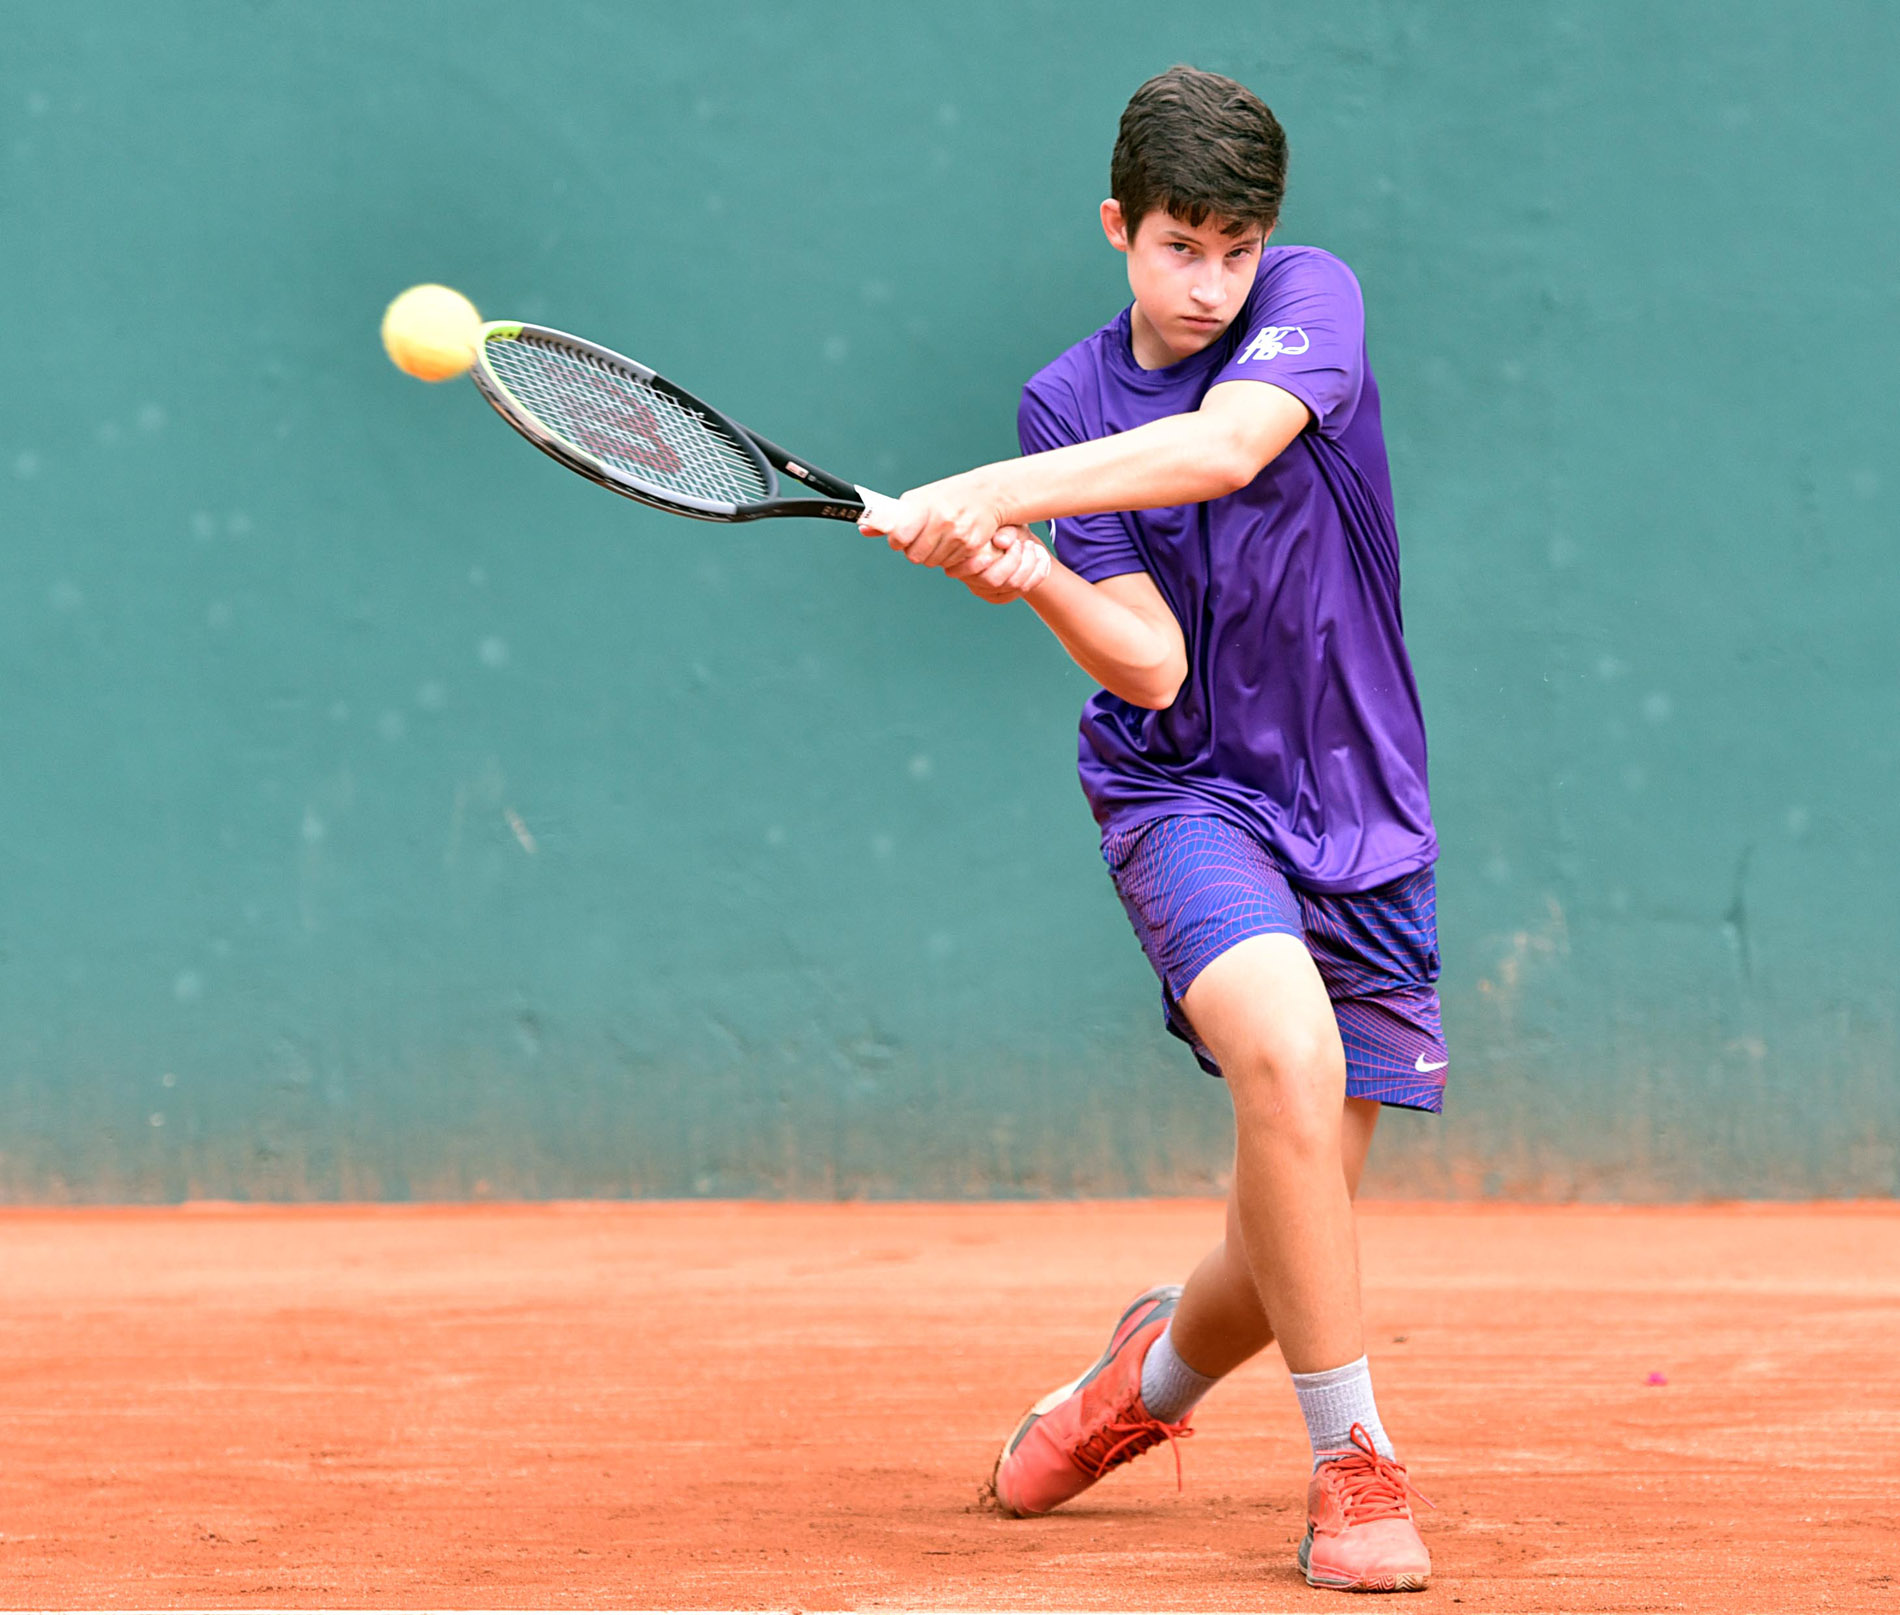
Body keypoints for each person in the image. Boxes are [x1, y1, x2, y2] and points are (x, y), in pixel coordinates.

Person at [865, 65, 1444, 1593]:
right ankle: (1354, 1466)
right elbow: (1151, 665)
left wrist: (986, 496)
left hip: (1358, 798)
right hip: (1182, 790)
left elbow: (1224, 451)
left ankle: (1141, 1383)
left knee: (1290, 1216)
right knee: (1288, 1063)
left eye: (1236, 248)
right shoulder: (1067, 400)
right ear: (1119, 228)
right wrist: (1033, 572)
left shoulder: (1311, 301)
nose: (1210, 284)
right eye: (1181, 246)